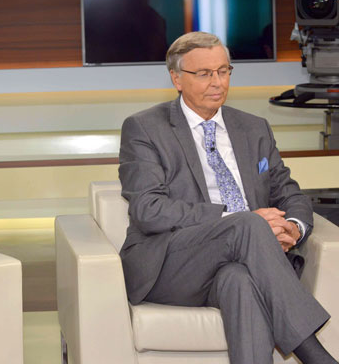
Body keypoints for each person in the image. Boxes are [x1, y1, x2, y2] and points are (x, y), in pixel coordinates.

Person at [118, 31, 337, 364]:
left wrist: (293, 227)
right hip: (172, 264)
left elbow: (286, 190)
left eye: (224, 71)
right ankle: (317, 357)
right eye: (205, 73)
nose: (217, 81)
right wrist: (240, 222)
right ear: (176, 78)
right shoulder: (145, 128)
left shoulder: (254, 128)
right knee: (247, 223)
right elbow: (149, 210)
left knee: (240, 281)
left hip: (242, 262)